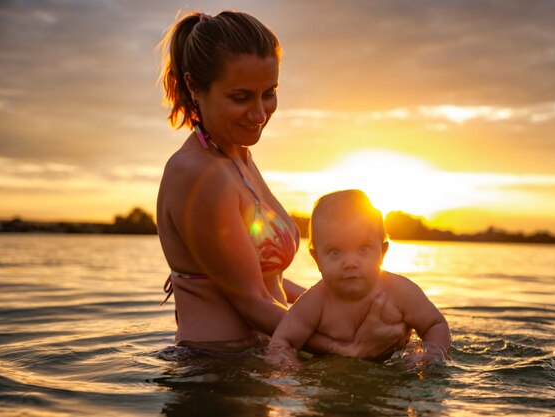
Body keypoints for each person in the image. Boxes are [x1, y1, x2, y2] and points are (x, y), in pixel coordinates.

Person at [156, 10, 407, 356]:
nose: (259, 114)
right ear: (195, 87)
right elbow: (252, 301)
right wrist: (348, 346)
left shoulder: (238, 157)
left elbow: (267, 284)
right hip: (217, 369)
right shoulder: (197, 174)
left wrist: (347, 309)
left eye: (269, 93)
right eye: (240, 97)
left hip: (259, 359)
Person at [267, 190, 451, 366]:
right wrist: (287, 364)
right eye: (335, 251)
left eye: (363, 248)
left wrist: (431, 352)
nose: (350, 262)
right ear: (317, 259)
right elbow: (281, 343)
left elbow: (435, 324)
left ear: (383, 252)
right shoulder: (315, 302)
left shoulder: (400, 291)